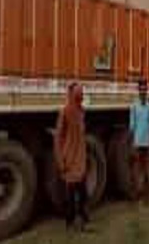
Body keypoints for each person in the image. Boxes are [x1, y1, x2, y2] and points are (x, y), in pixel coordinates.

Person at [54, 82, 89, 230]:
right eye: (78, 94)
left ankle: (81, 216)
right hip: (69, 159)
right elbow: (58, 137)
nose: (81, 96)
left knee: (82, 192)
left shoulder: (81, 112)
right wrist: (61, 160)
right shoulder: (65, 112)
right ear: (72, 95)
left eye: (81, 93)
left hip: (80, 158)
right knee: (70, 193)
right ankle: (70, 221)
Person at [130, 78, 149, 201]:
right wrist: (133, 142)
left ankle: (146, 195)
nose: (143, 91)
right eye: (141, 89)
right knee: (136, 169)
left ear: (147, 90)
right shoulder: (134, 106)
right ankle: (136, 193)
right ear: (138, 90)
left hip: (147, 142)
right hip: (137, 142)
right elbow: (132, 125)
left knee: (146, 169)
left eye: (145, 89)